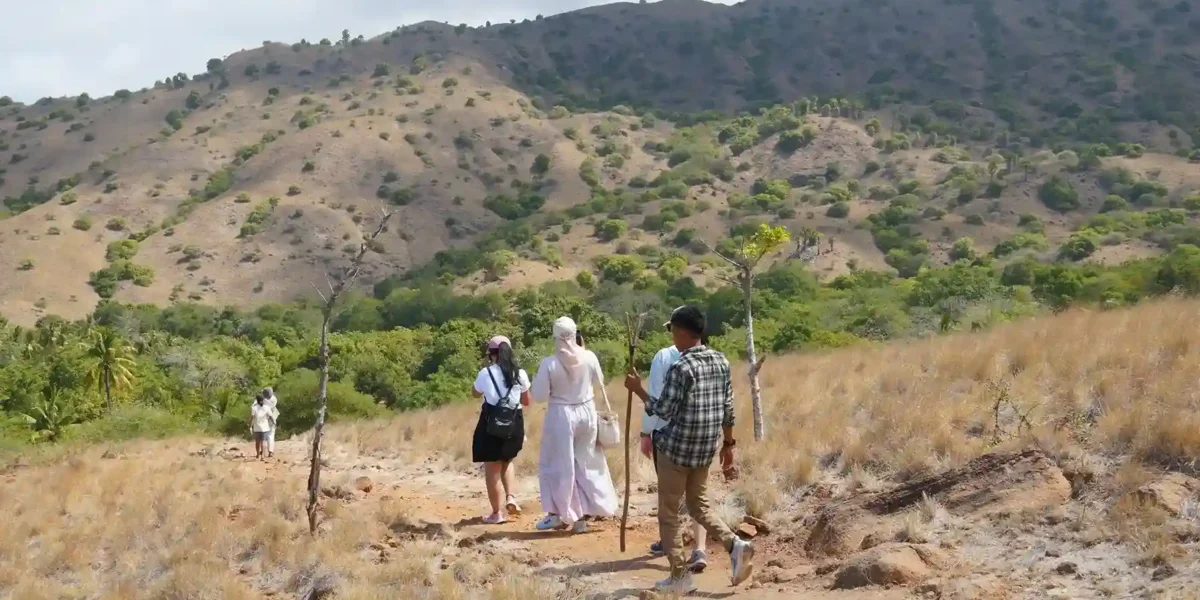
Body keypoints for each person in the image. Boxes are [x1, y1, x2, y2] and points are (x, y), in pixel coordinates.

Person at [625, 305, 754, 593]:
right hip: (706, 448)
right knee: (698, 504)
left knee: (668, 513)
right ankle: (736, 544)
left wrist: (637, 389)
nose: (671, 335)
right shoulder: (720, 360)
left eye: (672, 329)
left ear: (681, 331)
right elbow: (728, 409)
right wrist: (729, 444)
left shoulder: (680, 367)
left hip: (677, 450)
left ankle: (679, 575)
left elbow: (664, 410)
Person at [530, 316, 619, 534]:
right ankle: (582, 518)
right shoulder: (589, 357)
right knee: (586, 462)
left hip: (561, 414)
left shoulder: (549, 363)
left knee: (560, 465)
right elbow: (600, 381)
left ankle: (558, 514)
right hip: (587, 412)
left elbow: (539, 396)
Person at [642, 312, 708, 573]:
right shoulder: (712, 356)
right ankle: (699, 548)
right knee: (698, 499)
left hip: (670, 439)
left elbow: (657, 402)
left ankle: (675, 557)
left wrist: (645, 432)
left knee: (669, 501)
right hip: (702, 437)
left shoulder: (665, 357)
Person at [472, 335, 532, 525]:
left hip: (491, 423)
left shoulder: (485, 373)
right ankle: (511, 497)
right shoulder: (520, 374)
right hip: (514, 422)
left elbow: (475, 393)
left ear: (492, 354)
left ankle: (496, 514)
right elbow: (526, 401)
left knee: (492, 467)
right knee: (507, 460)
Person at [250, 393, 273, 461]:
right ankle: (262, 456)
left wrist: (250, 424)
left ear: (256, 400)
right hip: (265, 427)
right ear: (263, 399)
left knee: (257, 441)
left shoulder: (254, 408)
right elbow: (271, 416)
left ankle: (257, 454)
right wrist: (274, 422)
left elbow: (252, 417)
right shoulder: (267, 407)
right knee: (264, 441)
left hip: (257, 427)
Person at [262, 387, 279, 458]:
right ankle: (270, 451)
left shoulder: (263, 401)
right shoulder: (274, 399)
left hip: (264, 418)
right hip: (273, 417)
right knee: (271, 435)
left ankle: (262, 452)